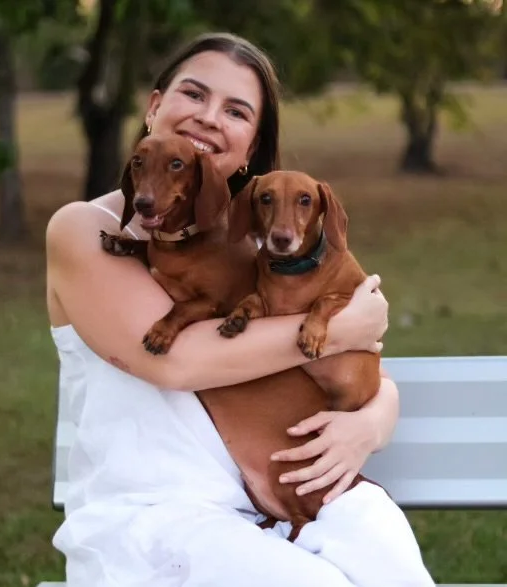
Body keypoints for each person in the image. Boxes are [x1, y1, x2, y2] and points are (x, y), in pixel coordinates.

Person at [46, 32, 434, 587]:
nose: (208, 117)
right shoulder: (85, 230)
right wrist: (339, 327)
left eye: (235, 110)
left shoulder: (267, 247)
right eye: (194, 95)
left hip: (273, 510)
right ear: (154, 106)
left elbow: (366, 372)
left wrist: (370, 423)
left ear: (249, 147)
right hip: (154, 519)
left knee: (388, 553)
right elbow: (175, 363)